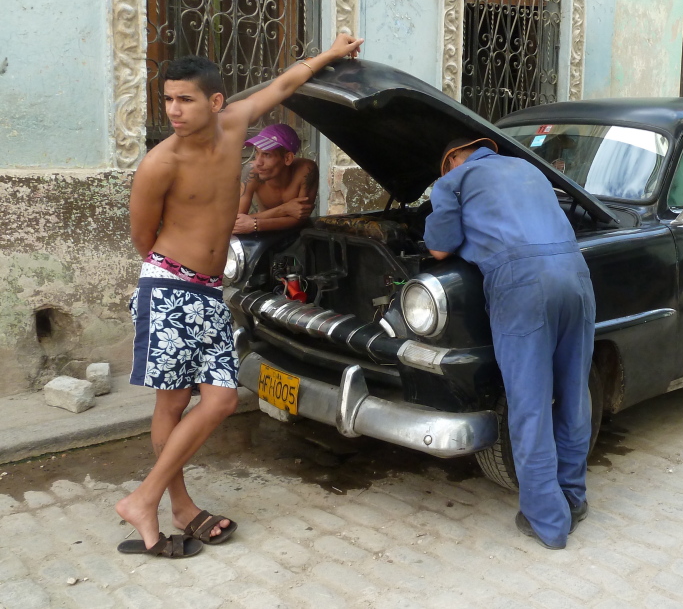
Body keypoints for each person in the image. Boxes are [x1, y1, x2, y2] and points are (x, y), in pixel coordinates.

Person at [117, 33, 363, 558]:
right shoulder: (160, 163)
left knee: (222, 400)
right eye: (167, 100)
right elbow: (143, 237)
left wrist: (333, 53)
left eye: (184, 99)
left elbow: (286, 81)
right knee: (175, 401)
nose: (174, 110)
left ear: (215, 101)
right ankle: (168, 505)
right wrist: (178, 267)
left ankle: (147, 496)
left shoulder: (235, 130)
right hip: (169, 285)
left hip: (209, 289)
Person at [423, 138, 596, 550]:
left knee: (529, 403)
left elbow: (438, 248)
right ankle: (573, 498)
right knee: (574, 392)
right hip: (576, 276)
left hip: (522, 286)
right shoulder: (531, 169)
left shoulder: (453, 182)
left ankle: (548, 523)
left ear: (450, 159)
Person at [233, 124, 319, 234]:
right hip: (263, 236)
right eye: (257, 152)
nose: (258, 162)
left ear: (287, 158)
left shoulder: (305, 170)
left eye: (267, 155)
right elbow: (237, 222)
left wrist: (255, 224)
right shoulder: (252, 171)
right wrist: (284, 209)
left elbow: (300, 219)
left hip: (298, 236)